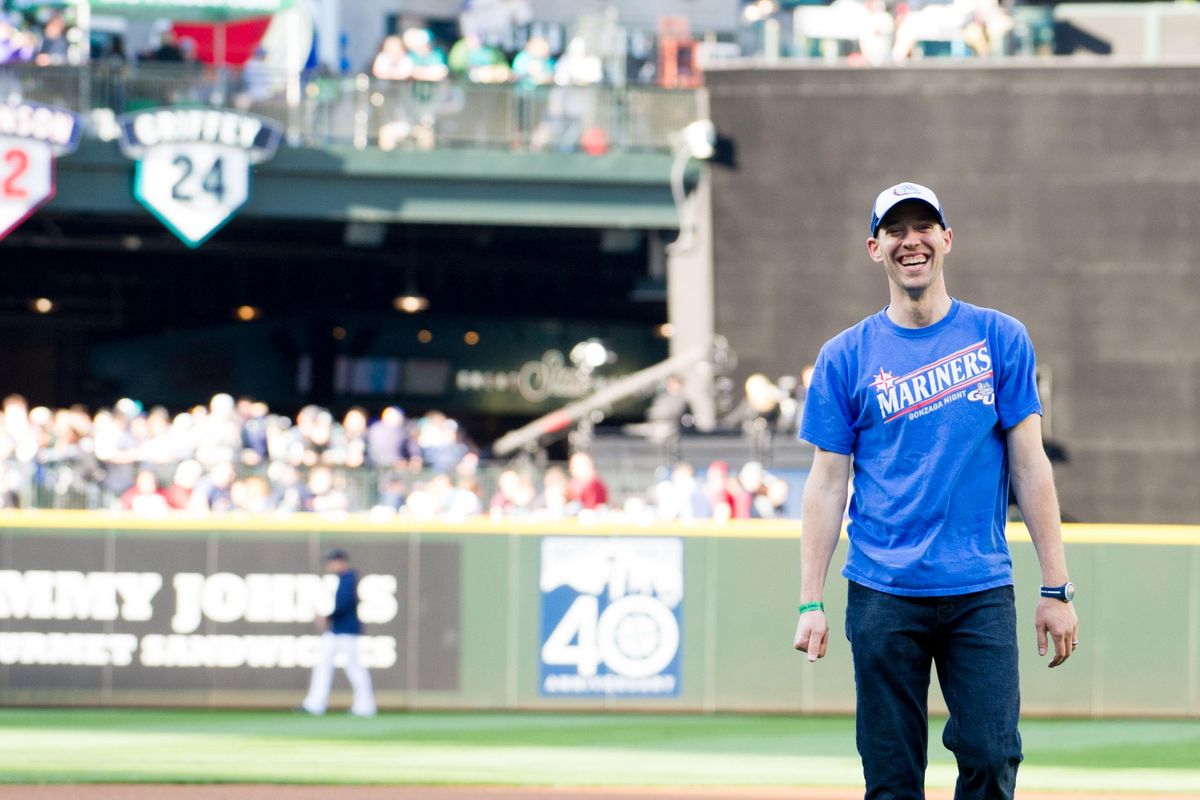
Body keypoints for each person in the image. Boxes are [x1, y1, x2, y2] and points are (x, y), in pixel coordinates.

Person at [792, 181, 1079, 798]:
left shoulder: (1001, 338)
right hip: (882, 592)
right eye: (895, 230)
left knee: (992, 757)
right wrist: (810, 601)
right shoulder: (844, 356)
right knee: (892, 780)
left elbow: (1031, 468)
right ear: (875, 247)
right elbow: (825, 484)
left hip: (978, 589)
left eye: (924, 227)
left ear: (946, 239)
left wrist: (1055, 587)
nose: (910, 240)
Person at [299, 548, 377, 717]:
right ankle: (315, 704)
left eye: (332, 561)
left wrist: (327, 617)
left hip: (345, 631)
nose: (329, 565)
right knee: (326, 666)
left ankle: (364, 706)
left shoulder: (348, 578)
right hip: (339, 630)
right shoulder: (345, 578)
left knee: (352, 668)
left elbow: (344, 604)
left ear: (341, 561)